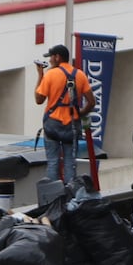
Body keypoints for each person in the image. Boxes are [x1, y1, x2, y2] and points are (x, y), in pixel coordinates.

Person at [34, 43, 96, 184]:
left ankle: (53, 196)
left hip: (52, 124)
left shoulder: (50, 75)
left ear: (57, 57)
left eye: (51, 57)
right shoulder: (80, 75)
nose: (49, 61)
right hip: (72, 125)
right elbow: (91, 102)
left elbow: (39, 99)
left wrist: (40, 75)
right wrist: (79, 114)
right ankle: (70, 195)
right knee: (69, 162)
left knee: (53, 162)